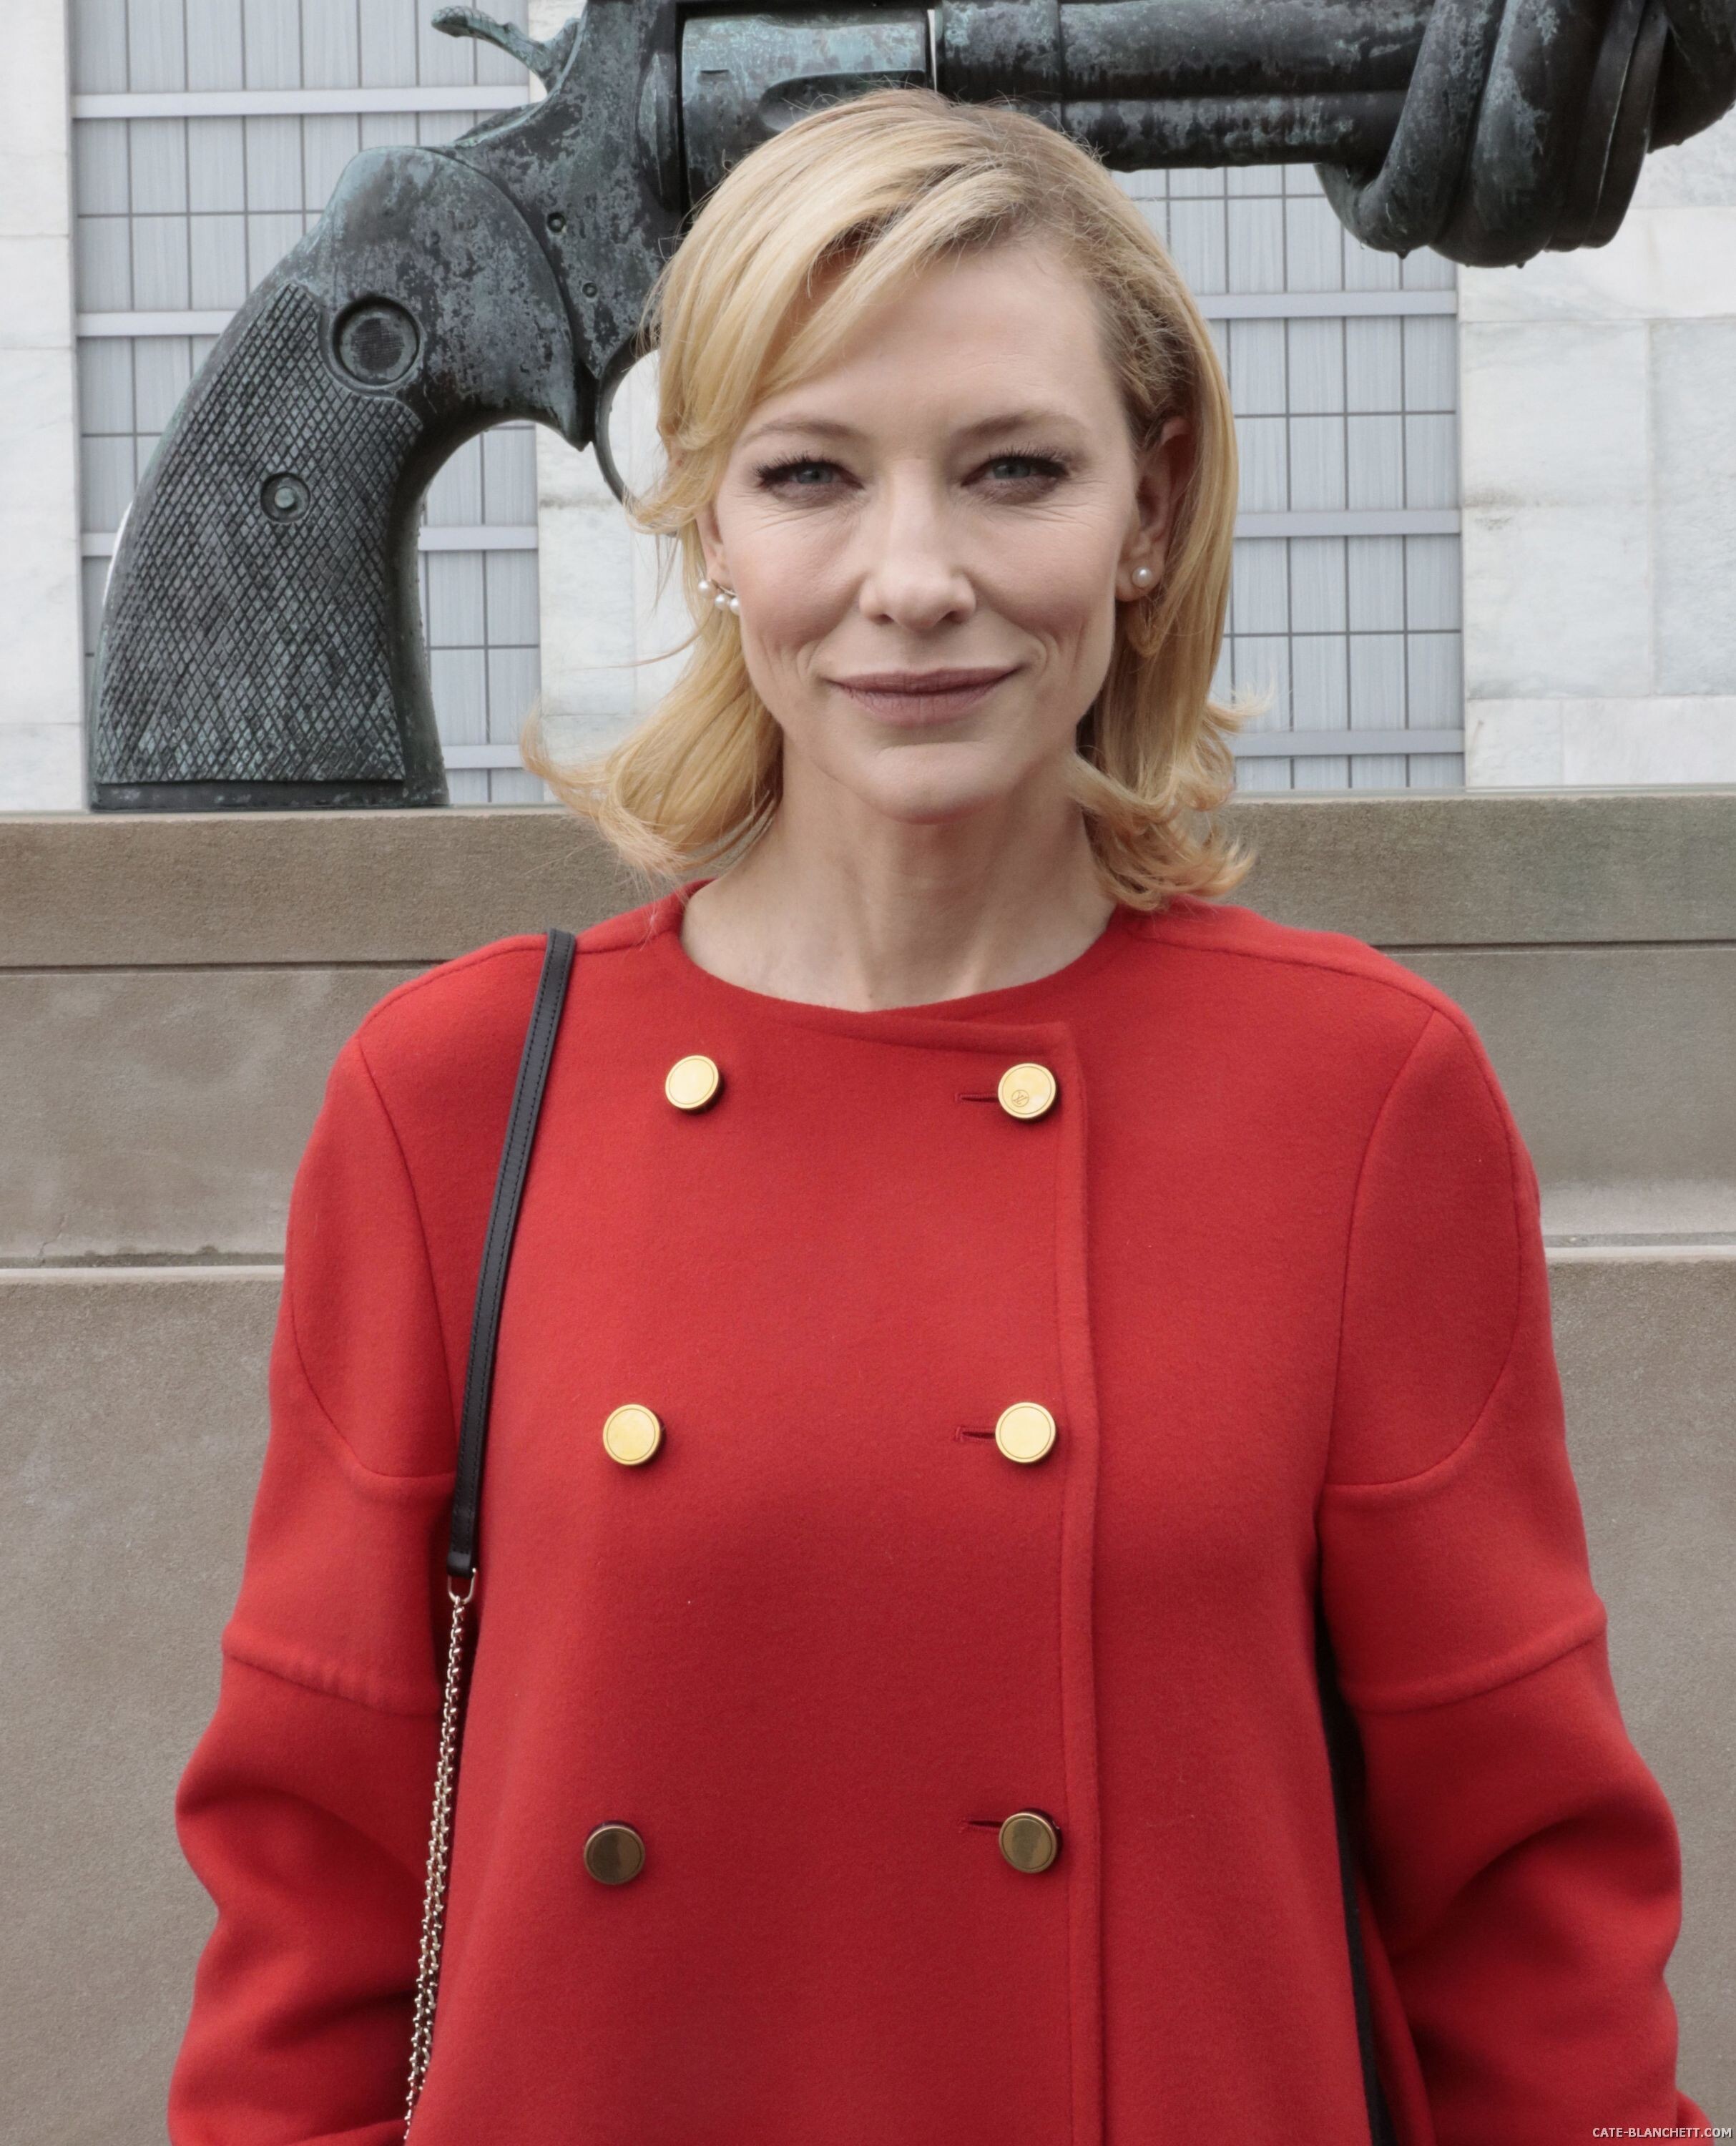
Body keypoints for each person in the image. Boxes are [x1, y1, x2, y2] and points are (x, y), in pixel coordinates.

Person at [167, 87, 1706, 2145]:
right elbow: (317, 1871)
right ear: (708, 524)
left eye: (1014, 472)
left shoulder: (1357, 1097)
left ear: (1149, 508)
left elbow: (1522, 1893)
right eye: (811, 473)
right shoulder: (448, 1099)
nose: (913, 580)